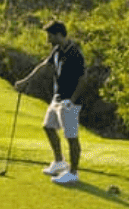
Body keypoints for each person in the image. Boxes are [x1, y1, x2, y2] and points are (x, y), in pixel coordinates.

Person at [15, 19, 87, 185]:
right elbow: (44, 66)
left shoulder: (74, 53)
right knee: (48, 127)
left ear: (59, 35)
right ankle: (59, 162)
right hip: (57, 97)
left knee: (71, 137)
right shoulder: (57, 50)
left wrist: (72, 100)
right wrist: (25, 81)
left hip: (69, 101)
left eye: (50, 35)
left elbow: (84, 79)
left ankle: (73, 173)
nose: (47, 39)